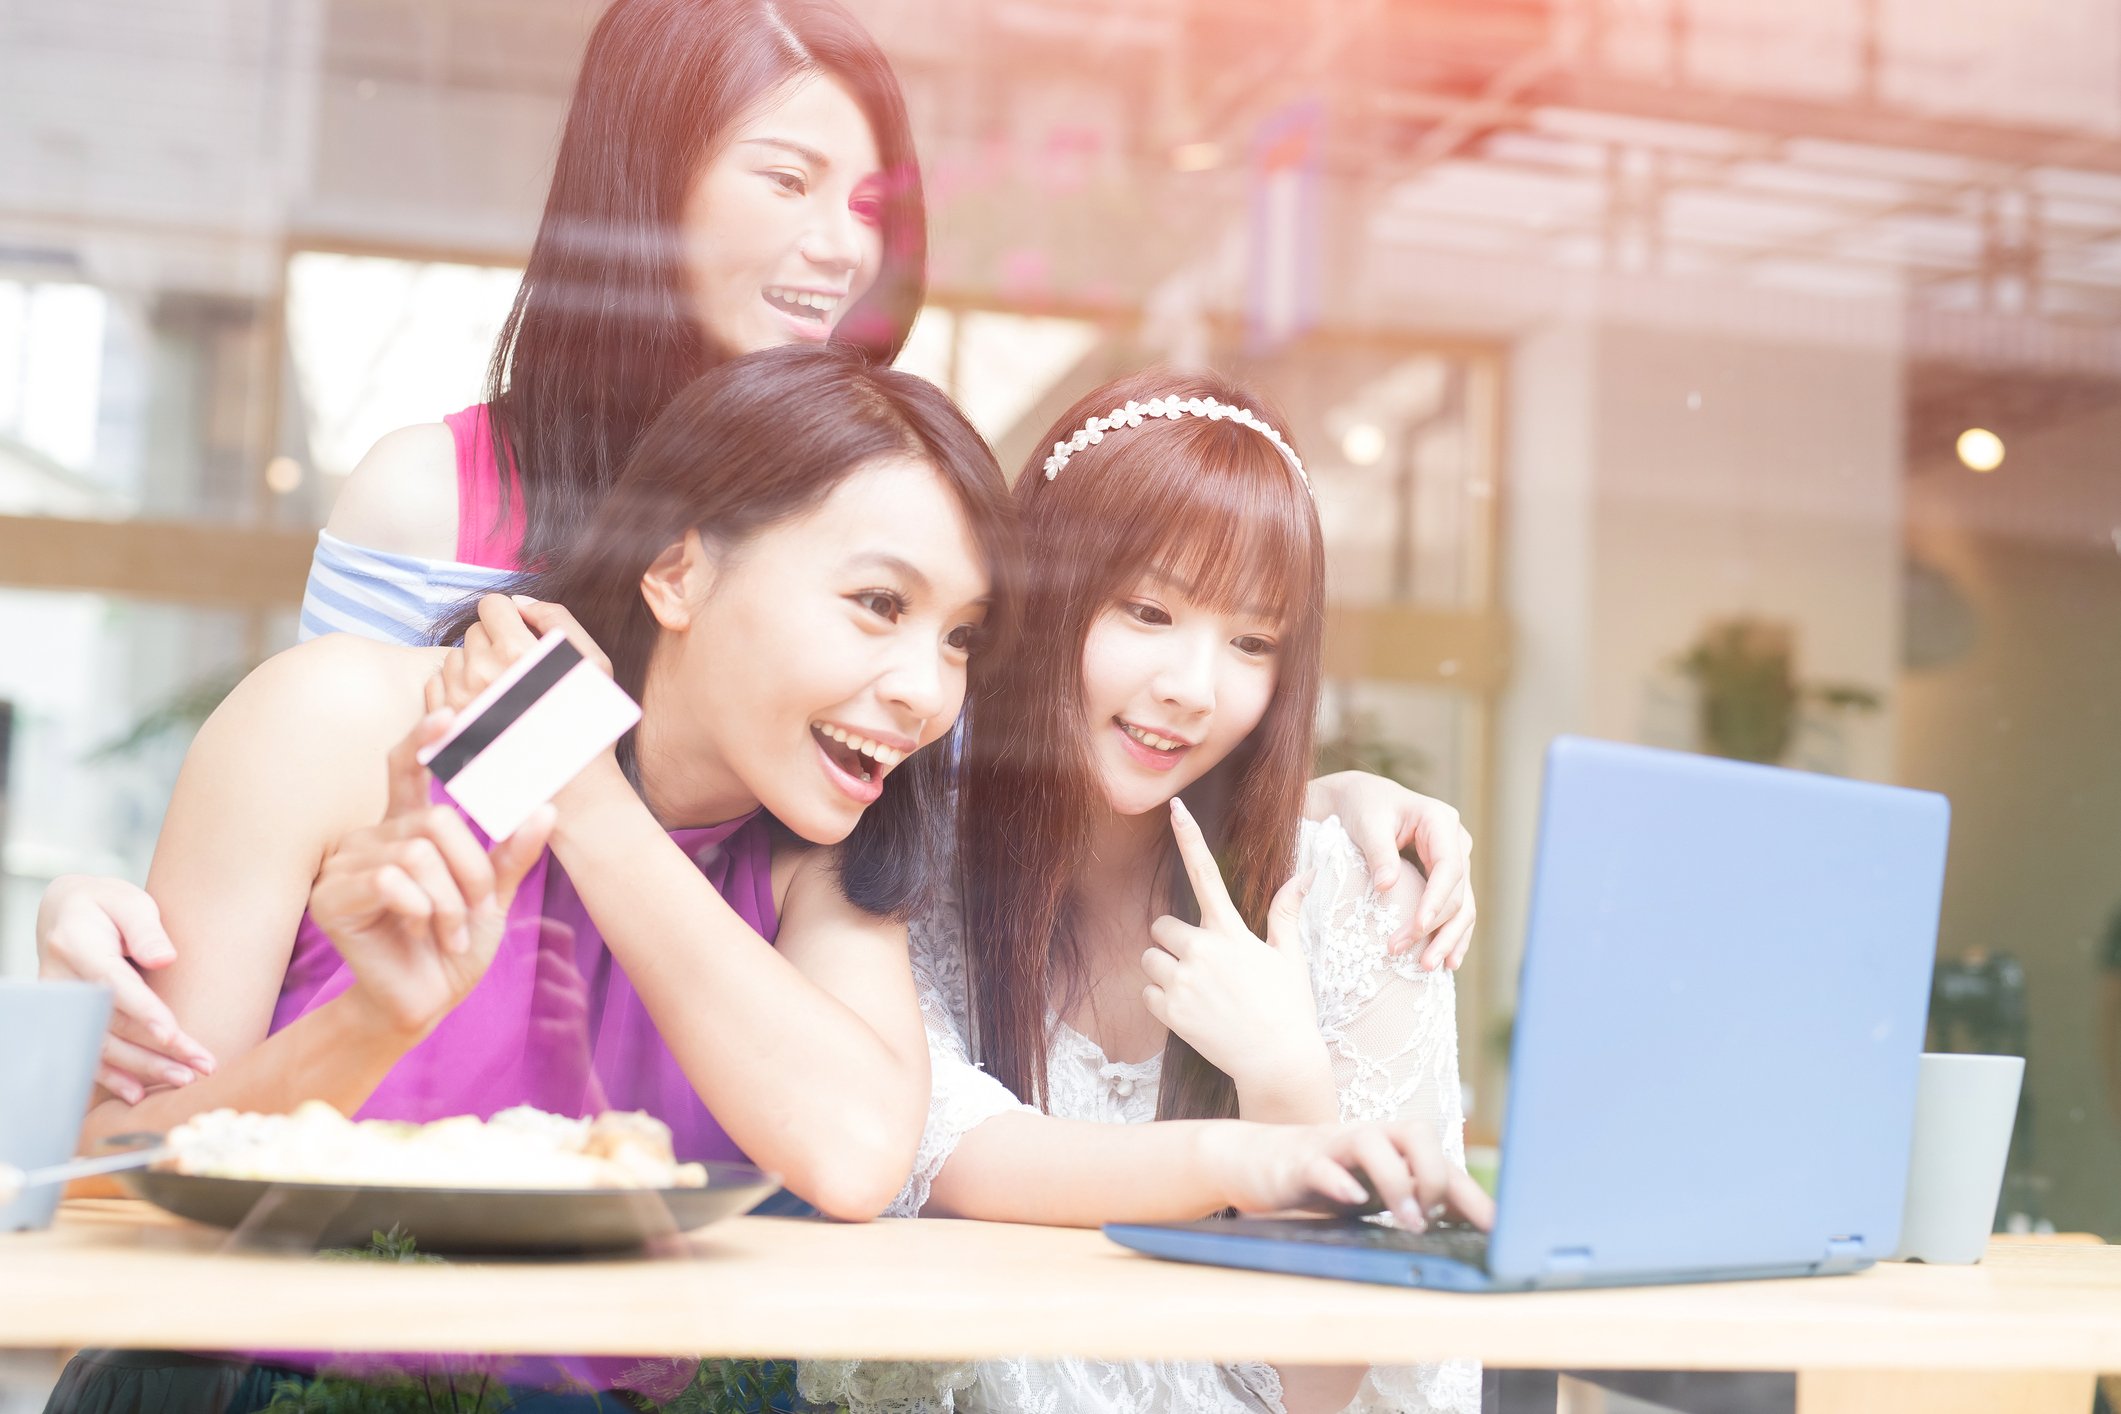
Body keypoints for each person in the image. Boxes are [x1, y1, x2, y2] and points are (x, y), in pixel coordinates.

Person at [39, 0, 1471, 1099]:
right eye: (785, 178)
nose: (836, 247)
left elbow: (1030, 746)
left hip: (726, 1143)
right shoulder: (436, 495)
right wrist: (93, 905)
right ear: (645, 181)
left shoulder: (900, 515)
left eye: (868, 206)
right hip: (417, 1106)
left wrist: (1323, 784)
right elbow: (301, 832)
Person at [798, 371, 1487, 1414]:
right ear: (1040, 601)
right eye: (1150, 610)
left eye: (1253, 642)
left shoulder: (1359, 894)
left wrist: (1288, 1079)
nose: (1195, 687)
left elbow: (1338, 1395)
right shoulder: (908, 860)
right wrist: (1263, 1150)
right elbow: (944, 1152)